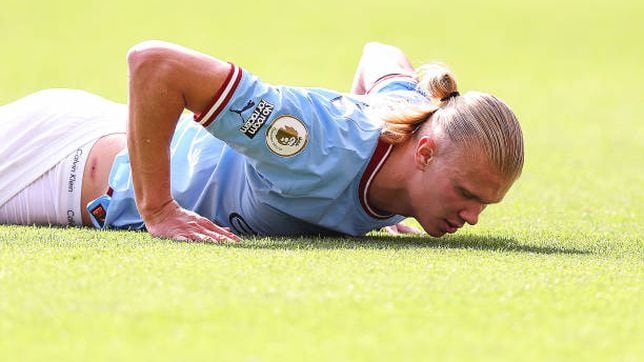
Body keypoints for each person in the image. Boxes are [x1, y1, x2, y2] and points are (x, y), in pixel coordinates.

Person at [0, 41, 524, 243]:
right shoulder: (313, 142)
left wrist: (402, 196)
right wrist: (158, 210)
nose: (473, 216)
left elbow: (378, 54)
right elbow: (153, 63)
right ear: (426, 154)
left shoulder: (415, 117)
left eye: (485, 203)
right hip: (57, 163)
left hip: (95, 136)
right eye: (467, 193)